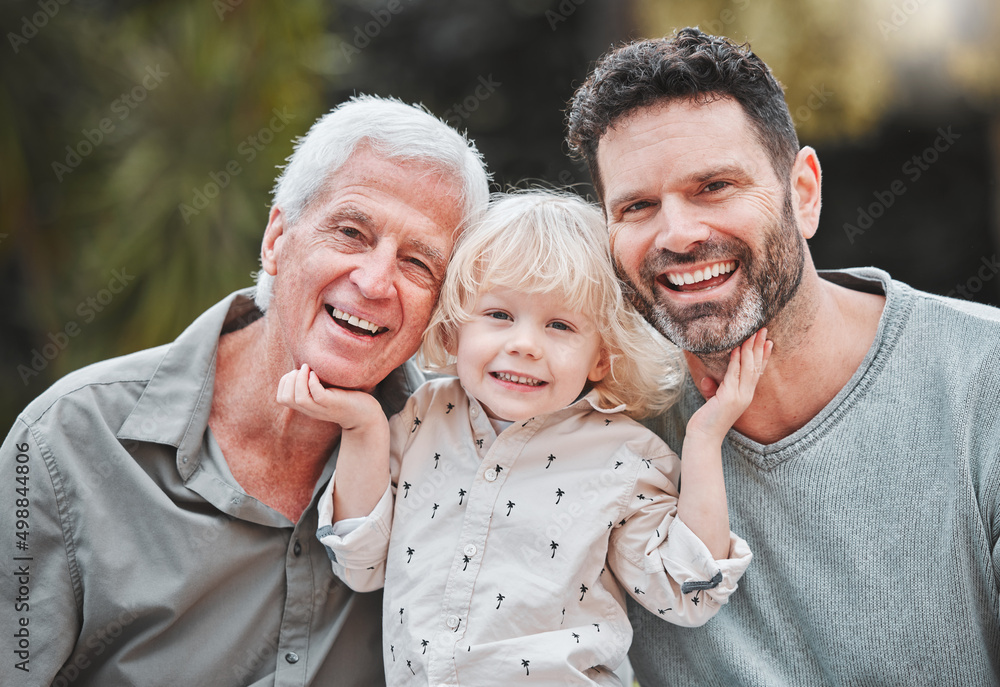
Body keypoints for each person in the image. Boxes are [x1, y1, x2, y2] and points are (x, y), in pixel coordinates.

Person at [0, 95, 490, 686]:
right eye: (352, 232)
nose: (375, 280)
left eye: (419, 263)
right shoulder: (68, 442)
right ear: (277, 239)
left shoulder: (464, 455)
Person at [565, 27, 1000, 685]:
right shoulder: (582, 410)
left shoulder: (983, 378)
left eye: (714, 185)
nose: (678, 234)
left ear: (803, 191)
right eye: (638, 205)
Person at [276, 190, 769, 685]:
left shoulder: (623, 455)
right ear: (454, 332)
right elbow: (360, 562)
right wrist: (363, 426)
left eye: (559, 325)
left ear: (601, 356)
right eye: (499, 315)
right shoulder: (424, 417)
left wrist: (705, 437)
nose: (524, 345)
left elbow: (687, 591)